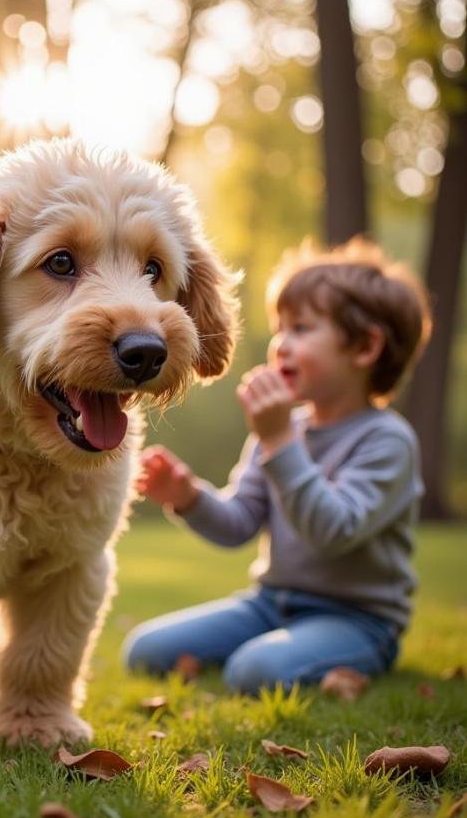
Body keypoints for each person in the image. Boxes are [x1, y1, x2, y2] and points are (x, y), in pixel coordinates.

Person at [123, 238, 433, 694]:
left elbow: (335, 530)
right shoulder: (280, 431)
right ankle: (281, 646)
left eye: (302, 329)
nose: (280, 345)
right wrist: (189, 497)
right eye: (280, 329)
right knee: (144, 650)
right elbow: (238, 524)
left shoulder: (386, 441)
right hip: (269, 604)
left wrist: (280, 440)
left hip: (357, 619)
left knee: (254, 672)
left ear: (365, 348)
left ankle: (331, 657)